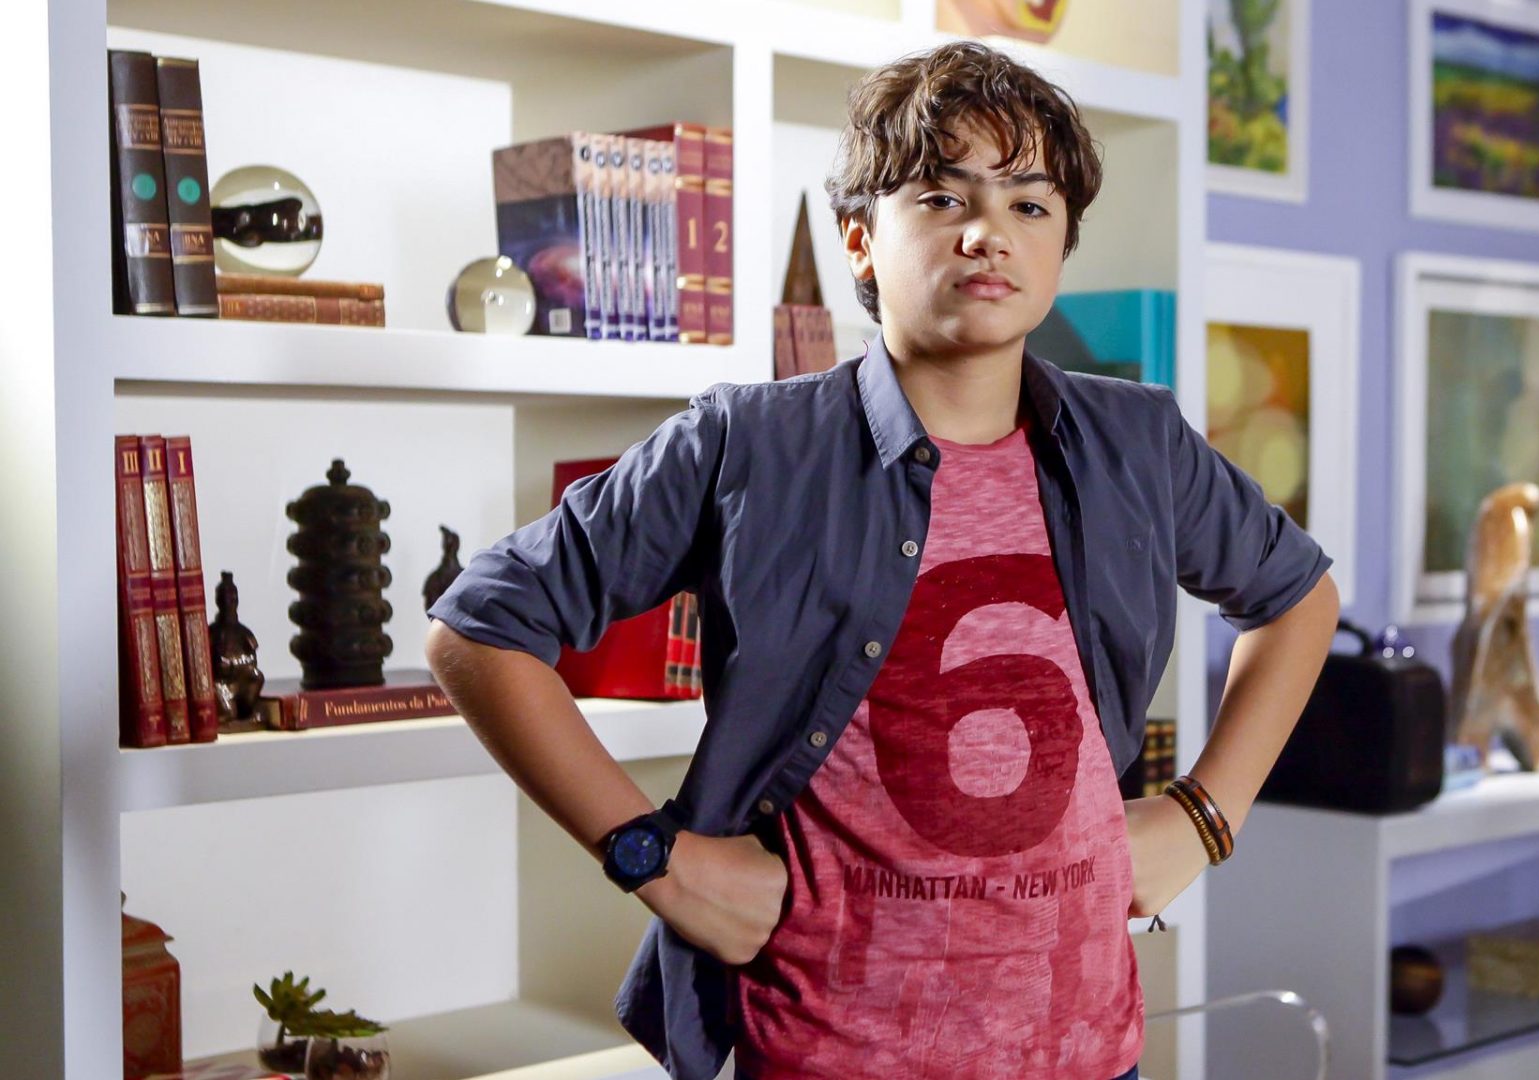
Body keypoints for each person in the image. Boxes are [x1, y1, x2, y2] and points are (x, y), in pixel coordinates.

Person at [425, 39, 1339, 1080]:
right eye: (943, 199)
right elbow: (478, 627)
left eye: (1029, 204)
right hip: (829, 1048)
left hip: (1090, 1050)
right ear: (860, 240)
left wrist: (1204, 817)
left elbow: (1298, 598)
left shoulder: (1137, 441)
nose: (989, 233)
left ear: (1060, 245)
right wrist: (656, 861)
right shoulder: (748, 443)